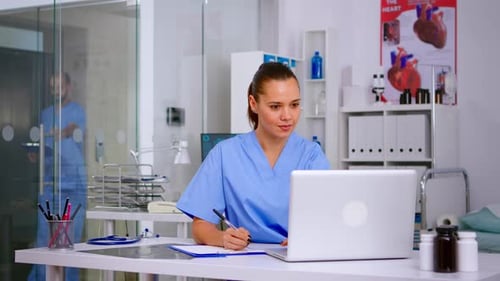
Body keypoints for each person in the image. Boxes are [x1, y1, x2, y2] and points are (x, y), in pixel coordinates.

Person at [176, 62, 330, 250]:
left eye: (295, 105)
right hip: (244, 261)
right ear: (253, 104)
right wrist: (222, 238)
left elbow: (327, 219)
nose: (287, 116)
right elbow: (200, 226)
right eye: (275, 107)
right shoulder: (225, 154)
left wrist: (309, 237)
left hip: (295, 263)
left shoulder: (311, 155)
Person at [28, 72, 87, 281]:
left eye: (59, 86)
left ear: (69, 87)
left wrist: (60, 133)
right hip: (50, 185)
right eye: (52, 87)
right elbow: (43, 147)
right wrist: (35, 152)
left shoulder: (77, 112)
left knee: (68, 246)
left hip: (73, 185)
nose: (56, 91)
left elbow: (73, 129)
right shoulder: (45, 114)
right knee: (44, 244)